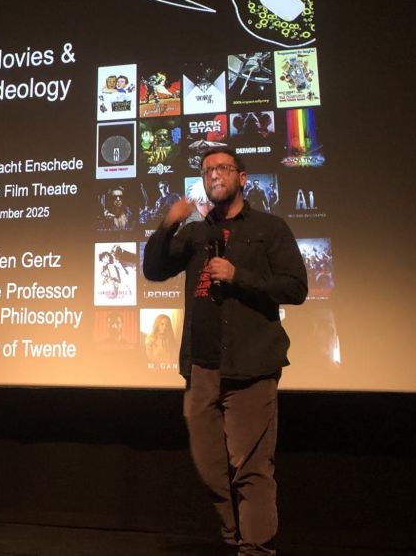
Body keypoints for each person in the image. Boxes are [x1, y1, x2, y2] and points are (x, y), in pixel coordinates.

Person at [143, 146, 307, 556]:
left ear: (242, 177)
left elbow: (296, 287)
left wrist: (240, 276)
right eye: (207, 170)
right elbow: (154, 270)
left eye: (223, 168)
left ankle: (254, 549)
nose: (214, 174)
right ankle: (235, 539)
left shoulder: (270, 228)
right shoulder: (196, 232)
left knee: (250, 470)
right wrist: (167, 225)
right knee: (210, 468)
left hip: (250, 366)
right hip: (201, 368)